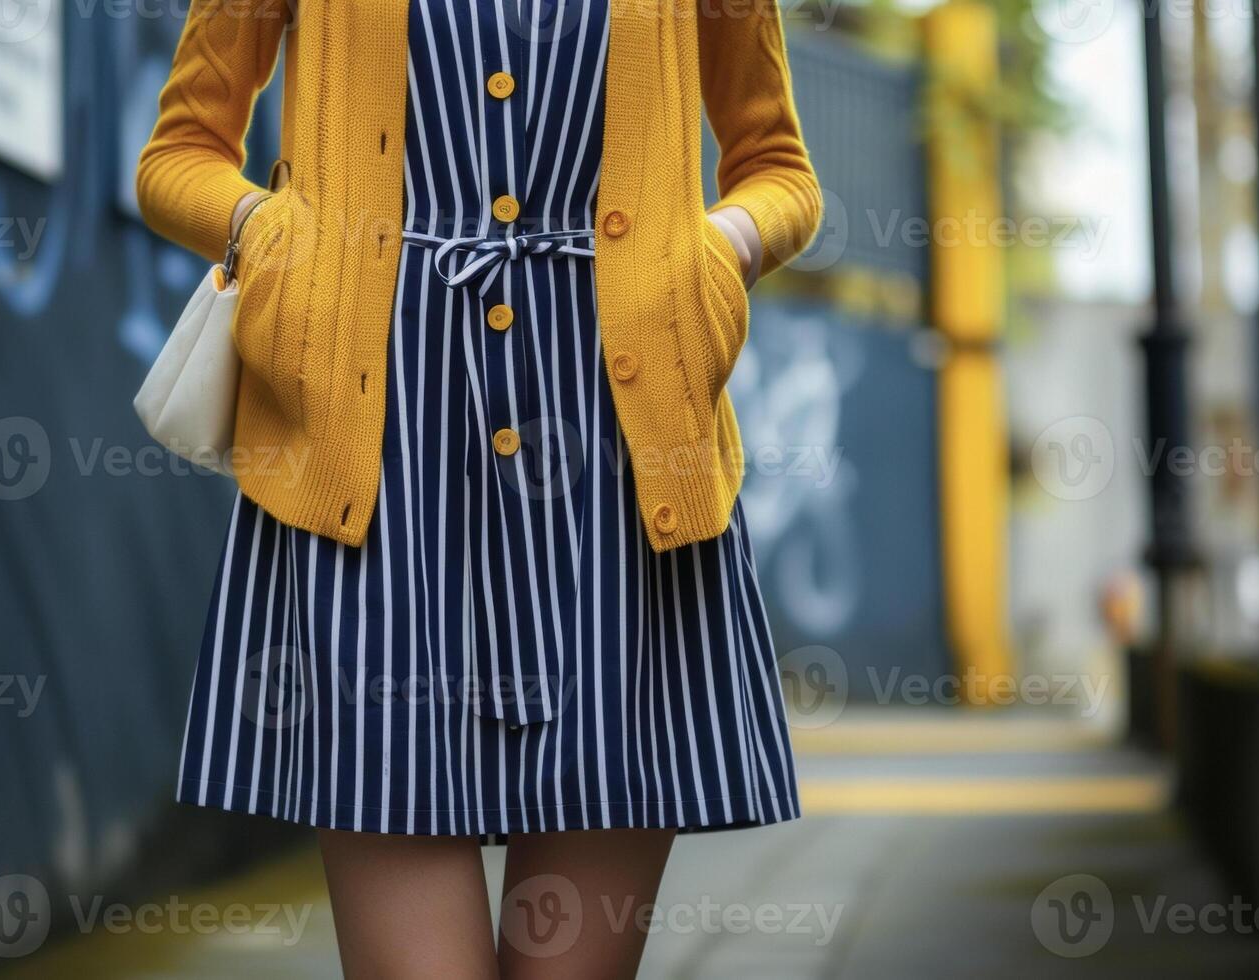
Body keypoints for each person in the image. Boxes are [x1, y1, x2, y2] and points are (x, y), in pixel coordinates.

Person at [137, 1, 821, 975]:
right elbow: (178, 155)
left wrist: (717, 254)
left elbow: (778, 169)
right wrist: (277, 237)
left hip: (619, 492)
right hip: (375, 492)